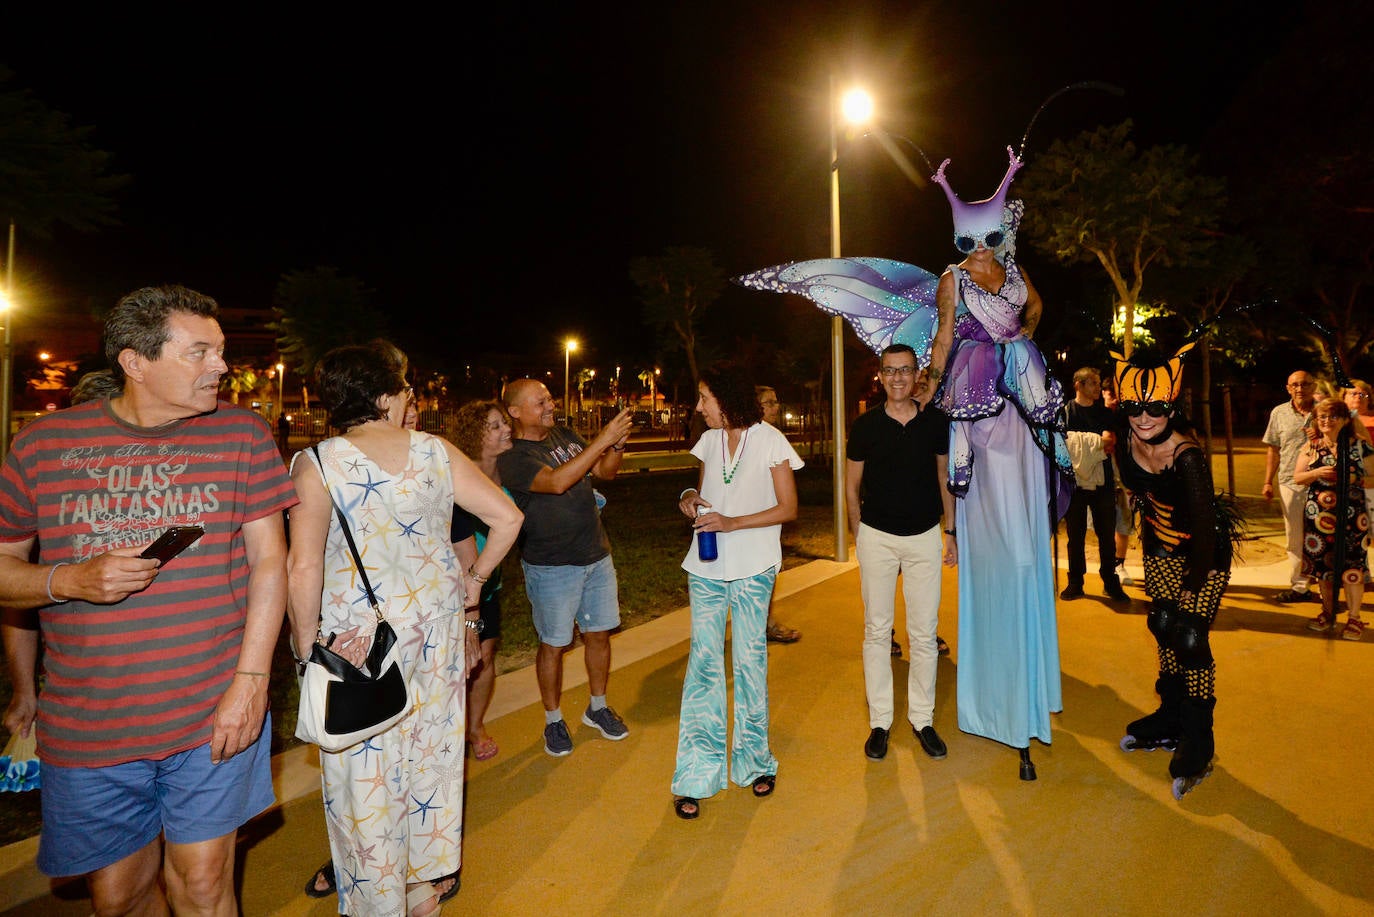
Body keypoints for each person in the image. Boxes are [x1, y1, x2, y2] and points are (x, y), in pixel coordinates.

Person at [0, 284, 297, 914]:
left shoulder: (241, 437)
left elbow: (270, 560)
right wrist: (69, 579)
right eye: (200, 353)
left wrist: (251, 682)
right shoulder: (41, 446)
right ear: (135, 362)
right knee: (120, 896)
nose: (222, 366)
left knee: (205, 882)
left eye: (221, 351)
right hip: (90, 726)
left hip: (211, 712)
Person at [287, 342, 521, 917]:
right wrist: (476, 581)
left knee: (364, 774)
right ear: (385, 395)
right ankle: (422, 893)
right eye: (404, 388)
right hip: (436, 634)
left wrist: (303, 647)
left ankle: (376, 901)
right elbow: (507, 517)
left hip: (358, 645)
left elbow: (303, 564)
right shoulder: (437, 452)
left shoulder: (315, 464)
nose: (410, 397)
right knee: (431, 761)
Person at [926, 150, 1073, 781]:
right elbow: (939, 339)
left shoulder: (1014, 270)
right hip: (979, 413)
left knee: (1028, 551)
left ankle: (1027, 696)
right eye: (970, 238)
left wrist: (1018, 335)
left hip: (1026, 401)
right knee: (1004, 553)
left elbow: (1036, 307)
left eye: (987, 236)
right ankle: (997, 704)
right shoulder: (952, 279)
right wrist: (930, 386)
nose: (980, 246)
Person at [672, 363, 802, 818]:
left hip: (754, 566)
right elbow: (703, 487)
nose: (699, 407)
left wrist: (731, 523)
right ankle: (696, 773)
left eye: (704, 398)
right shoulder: (708, 441)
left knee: (749, 662)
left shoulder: (770, 440)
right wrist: (688, 495)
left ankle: (754, 762)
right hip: (706, 565)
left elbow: (788, 508)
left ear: (724, 399)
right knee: (703, 664)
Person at [1113, 343, 1234, 799]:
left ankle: (1199, 734)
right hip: (1160, 546)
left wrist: (1193, 585)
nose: (1144, 418)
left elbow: (1204, 531)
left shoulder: (1187, 455)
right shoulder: (1125, 436)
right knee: (1161, 625)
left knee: (1189, 636)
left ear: (1173, 405)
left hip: (1202, 553)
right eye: (1134, 408)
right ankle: (1171, 715)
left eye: (1156, 408)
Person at [498, 379, 636, 756]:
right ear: (515, 411)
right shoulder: (513, 456)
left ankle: (598, 706)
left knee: (598, 635)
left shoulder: (565, 434)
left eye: (548, 397)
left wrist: (616, 446)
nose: (549, 403)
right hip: (552, 567)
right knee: (554, 644)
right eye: (539, 400)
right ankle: (553, 719)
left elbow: (605, 472)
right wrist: (602, 438)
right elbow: (557, 482)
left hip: (596, 554)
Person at [845, 346, 957, 763]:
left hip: (926, 535)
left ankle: (922, 719)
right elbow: (851, 483)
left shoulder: (935, 422)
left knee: (924, 634)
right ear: (880, 376)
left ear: (916, 376)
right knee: (877, 630)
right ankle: (880, 722)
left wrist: (950, 531)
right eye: (890, 371)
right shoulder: (866, 426)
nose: (897, 378)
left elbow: (944, 476)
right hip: (877, 536)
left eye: (905, 370)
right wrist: (858, 527)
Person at [451, 399, 515, 760]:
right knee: (459, 659)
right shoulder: (461, 476)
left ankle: (474, 727)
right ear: (475, 435)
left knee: (485, 655)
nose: (506, 429)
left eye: (505, 422)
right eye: (495, 425)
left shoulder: (508, 472)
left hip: (490, 584)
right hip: (460, 584)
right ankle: (449, 729)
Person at [1294, 398, 1372, 640]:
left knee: (1352, 568)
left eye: (1332, 416)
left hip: (1352, 518)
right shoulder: (1311, 447)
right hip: (1318, 519)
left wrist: (1353, 480)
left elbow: (1373, 478)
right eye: (1322, 417)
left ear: (1346, 419)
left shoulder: (1360, 447)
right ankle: (1327, 613)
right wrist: (1316, 472)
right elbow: (1297, 477)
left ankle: (1355, 618)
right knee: (1323, 569)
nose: (1326, 421)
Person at [1062, 367, 1128, 601]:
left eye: (1098, 383)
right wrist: (1097, 442)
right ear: (1078, 385)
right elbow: (1063, 445)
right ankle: (1075, 582)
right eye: (1093, 383)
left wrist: (1098, 442)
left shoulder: (1105, 414)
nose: (1098, 388)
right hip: (1075, 484)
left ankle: (1110, 582)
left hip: (1103, 482)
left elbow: (1111, 443)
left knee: (1106, 534)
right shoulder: (1066, 413)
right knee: (1075, 535)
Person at [1262, 370, 1317, 602]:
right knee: (1295, 537)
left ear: (1313, 387)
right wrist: (1267, 481)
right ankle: (1300, 586)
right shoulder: (1279, 413)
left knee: (1323, 534)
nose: (1299, 389)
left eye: (1305, 384)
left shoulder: (1324, 411)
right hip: (1289, 482)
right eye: (1294, 385)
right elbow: (1273, 449)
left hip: (1322, 482)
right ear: (1287, 388)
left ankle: (1327, 582)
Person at [755, 384, 802, 644]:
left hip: (770, 518)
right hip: (756, 520)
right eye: (768, 402)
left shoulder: (772, 436)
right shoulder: (752, 436)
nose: (775, 407)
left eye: (775, 402)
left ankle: (764, 622)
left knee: (768, 574)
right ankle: (762, 624)